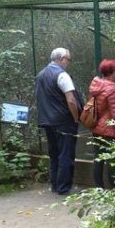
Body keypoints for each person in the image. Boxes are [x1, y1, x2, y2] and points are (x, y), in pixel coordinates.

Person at [35, 47, 83, 195]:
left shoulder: (41, 75)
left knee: (54, 153)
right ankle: (64, 187)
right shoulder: (62, 75)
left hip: (47, 121)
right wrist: (75, 118)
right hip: (63, 121)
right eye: (68, 59)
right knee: (66, 154)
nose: (68, 62)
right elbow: (71, 100)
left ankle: (55, 185)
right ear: (61, 59)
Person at [87, 59, 115, 188]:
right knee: (113, 161)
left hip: (97, 129)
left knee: (98, 159)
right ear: (113, 72)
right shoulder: (111, 88)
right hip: (110, 130)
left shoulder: (97, 85)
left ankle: (99, 189)